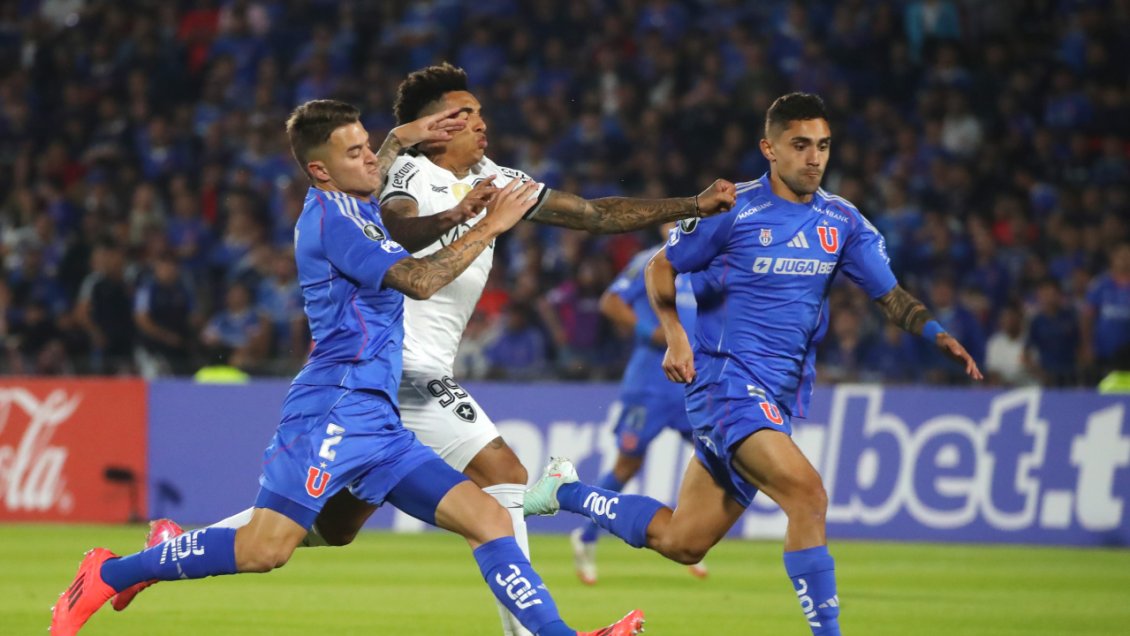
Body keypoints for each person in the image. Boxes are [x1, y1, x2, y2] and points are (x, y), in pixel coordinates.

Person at [155, 63, 733, 636]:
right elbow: (399, 230)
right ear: (434, 126)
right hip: (395, 367)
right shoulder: (405, 175)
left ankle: (178, 549)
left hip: (406, 375)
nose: (480, 121)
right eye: (463, 113)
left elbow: (596, 214)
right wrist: (463, 214)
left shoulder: (500, 179)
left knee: (333, 525)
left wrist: (692, 204)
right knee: (503, 470)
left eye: (479, 111)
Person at [50, 99, 644, 636]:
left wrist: (410, 146)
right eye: (357, 152)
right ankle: (110, 571)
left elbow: (381, 184)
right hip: (332, 407)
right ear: (320, 170)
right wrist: (489, 224)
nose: (374, 159)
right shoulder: (334, 221)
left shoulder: (354, 201)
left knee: (486, 516)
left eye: (369, 146)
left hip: (379, 419)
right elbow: (418, 279)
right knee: (266, 549)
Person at [522, 93, 983, 636]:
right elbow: (660, 268)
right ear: (770, 148)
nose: (814, 158)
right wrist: (674, 336)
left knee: (683, 540)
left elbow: (891, 295)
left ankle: (564, 490)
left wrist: (937, 333)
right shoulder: (732, 210)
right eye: (800, 145)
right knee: (807, 495)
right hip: (726, 385)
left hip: (777, 397)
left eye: (823, 146)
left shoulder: (843, 221)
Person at [570, 228, 706, 586]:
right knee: (628, 463)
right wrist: (650, 331)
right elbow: (611, 302)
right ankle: (585, 537)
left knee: (715, 457)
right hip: (650, 386)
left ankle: (690, 537)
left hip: (693, 384)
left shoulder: (706, 263)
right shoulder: (648, 262)